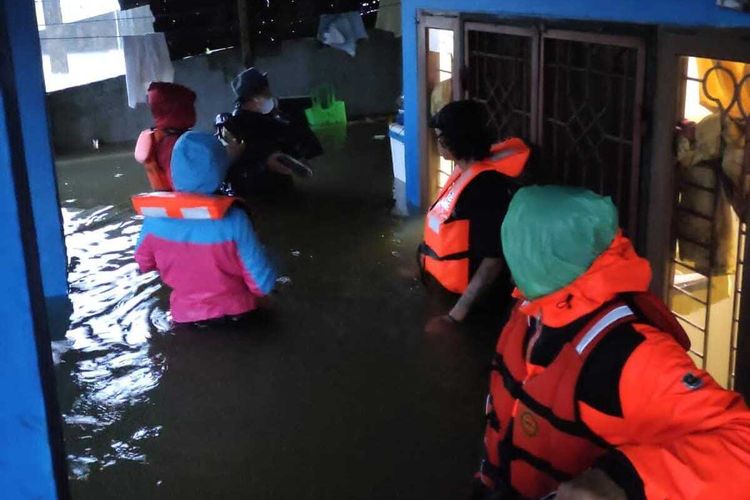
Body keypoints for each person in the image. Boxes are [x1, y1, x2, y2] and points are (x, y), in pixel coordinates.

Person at [473, 185, 750, 499]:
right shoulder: (531, 310)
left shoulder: (630, 353)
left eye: (515, 242)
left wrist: (622, 481)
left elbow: (742, 442)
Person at [133, 131, 276, 326]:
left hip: (184, 318)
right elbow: (261, 284)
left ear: (174, 170)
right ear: (220, 169)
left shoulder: (153, 221)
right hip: (239, 315)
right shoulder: (235, 219)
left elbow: (143, 263)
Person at [418, 100, 530, 334]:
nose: (437, 144)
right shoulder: (464, 171)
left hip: (476, 305)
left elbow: (493, 260)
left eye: (440, 138)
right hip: (448, 287)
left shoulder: (485, 188)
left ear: (455, 140)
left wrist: (454, 317)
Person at [216, 67, 322, 197]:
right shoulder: (233, 127)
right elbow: (234, 168)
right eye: (266, 93)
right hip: (257, 191)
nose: (270, 96)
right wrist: (265, 164)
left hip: (277, 187)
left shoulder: (267, 118)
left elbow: (306, 147)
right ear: (254, 98)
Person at [134, 82, 197, 191]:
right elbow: (194, 184)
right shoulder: (177, 145)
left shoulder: (159, 138)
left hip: (171, 199)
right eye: (190, 106)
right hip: (187, 200)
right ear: (180, 110)